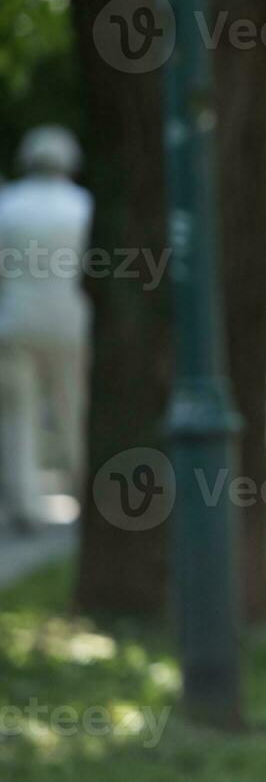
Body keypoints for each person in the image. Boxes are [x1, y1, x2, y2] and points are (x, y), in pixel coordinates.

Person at [0, 125, 93, 534]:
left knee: (17, 416)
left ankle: (25, 504)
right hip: (71, 322)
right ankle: (83, 492)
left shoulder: (8, 205)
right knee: (74, 408)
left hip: (14, 322)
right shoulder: (83, 206)